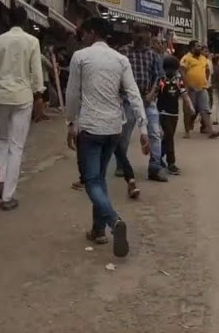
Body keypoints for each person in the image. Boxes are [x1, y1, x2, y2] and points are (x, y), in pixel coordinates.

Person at [66, 17, 149, 257]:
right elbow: (134, 95)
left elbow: (72, 94)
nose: (82, 38)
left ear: (92, 33)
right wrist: (143, 130)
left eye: (84, 33)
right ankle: (98, 230)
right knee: (100, 178)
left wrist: (71, 122)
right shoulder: (120, 59)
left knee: (92, 181)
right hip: (114, 127)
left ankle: (113, 222)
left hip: (90, 126)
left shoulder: (80, 57)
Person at [0, 6, 44, 211]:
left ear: (8, 20)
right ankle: (8, 196)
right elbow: (36, 72)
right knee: (16, 146)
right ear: (26, 21)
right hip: (23, 97)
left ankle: (0, 179)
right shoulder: (32, 42)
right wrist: (39, 95)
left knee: (1, 141)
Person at [125, 27, 167, 183]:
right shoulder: (124, 53)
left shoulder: (153, 56)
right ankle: (122, 164)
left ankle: (155, 167)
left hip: (148, 100)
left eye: (146, 37)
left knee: (155, 133)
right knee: (124, 134)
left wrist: (151, 94)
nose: (143, 39)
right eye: (139, 35)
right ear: (134, 35)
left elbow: (159, 78)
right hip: (128, 100)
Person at [155, 55, 192, 175]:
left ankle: (157, 158)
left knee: (167, 138)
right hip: (163, 112)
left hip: (174, 113)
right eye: (168, 68)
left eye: (173, 69)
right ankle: (171, 163)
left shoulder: (178, 81)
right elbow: (154, 95)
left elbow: (184, 94)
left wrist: (190, 107)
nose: (170, 71)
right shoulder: (161, 81)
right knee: (169, 137)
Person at [179, 40, 219, 139]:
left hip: (202, 88)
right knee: (189, 111)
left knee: (205, 110)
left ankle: (210, 131)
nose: (200, 48)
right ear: (192, 47)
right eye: (198, 46)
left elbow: (207, 70)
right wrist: (187, 85)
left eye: (200, 46)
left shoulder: (203, 58)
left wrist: (205, 80)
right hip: (190, 89)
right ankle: (187, 131)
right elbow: (182, 72)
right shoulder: (186, 58)